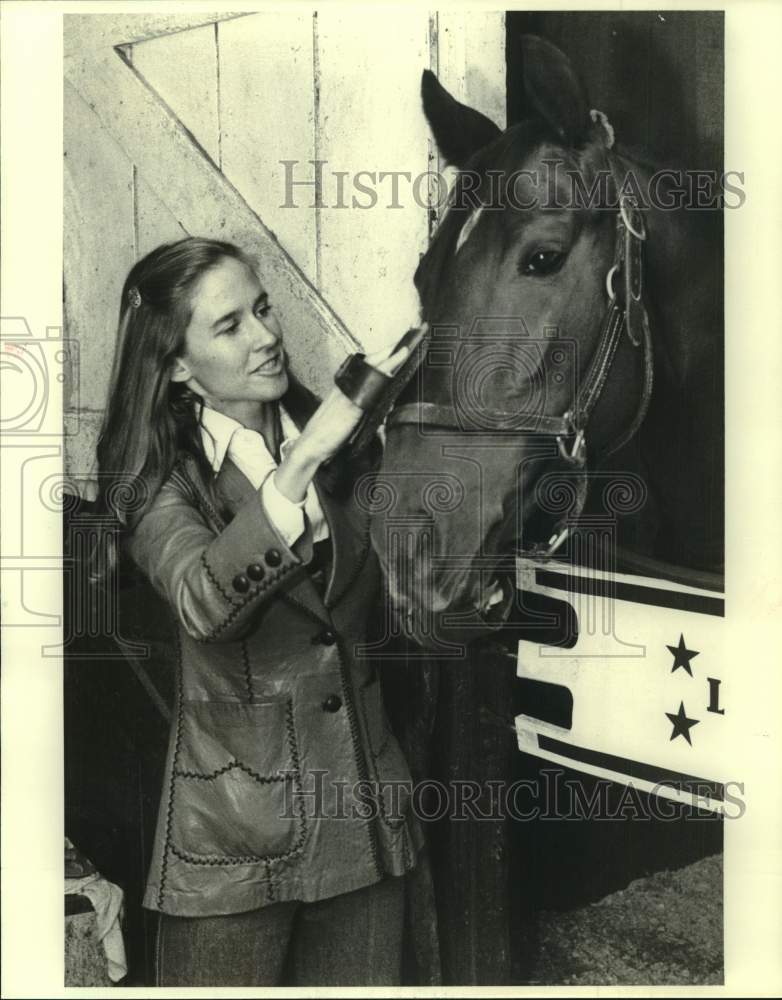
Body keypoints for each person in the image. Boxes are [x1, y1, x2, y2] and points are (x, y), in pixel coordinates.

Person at [93, 236, 423, 986]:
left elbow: (405, 580)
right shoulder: (155, 481)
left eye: (264, 309)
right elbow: (205, 603)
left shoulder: (346, 452)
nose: (268, 336)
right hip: (237, 841)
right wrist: (302, 462)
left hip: (362, 816)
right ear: (176, 364)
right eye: (230, 324)